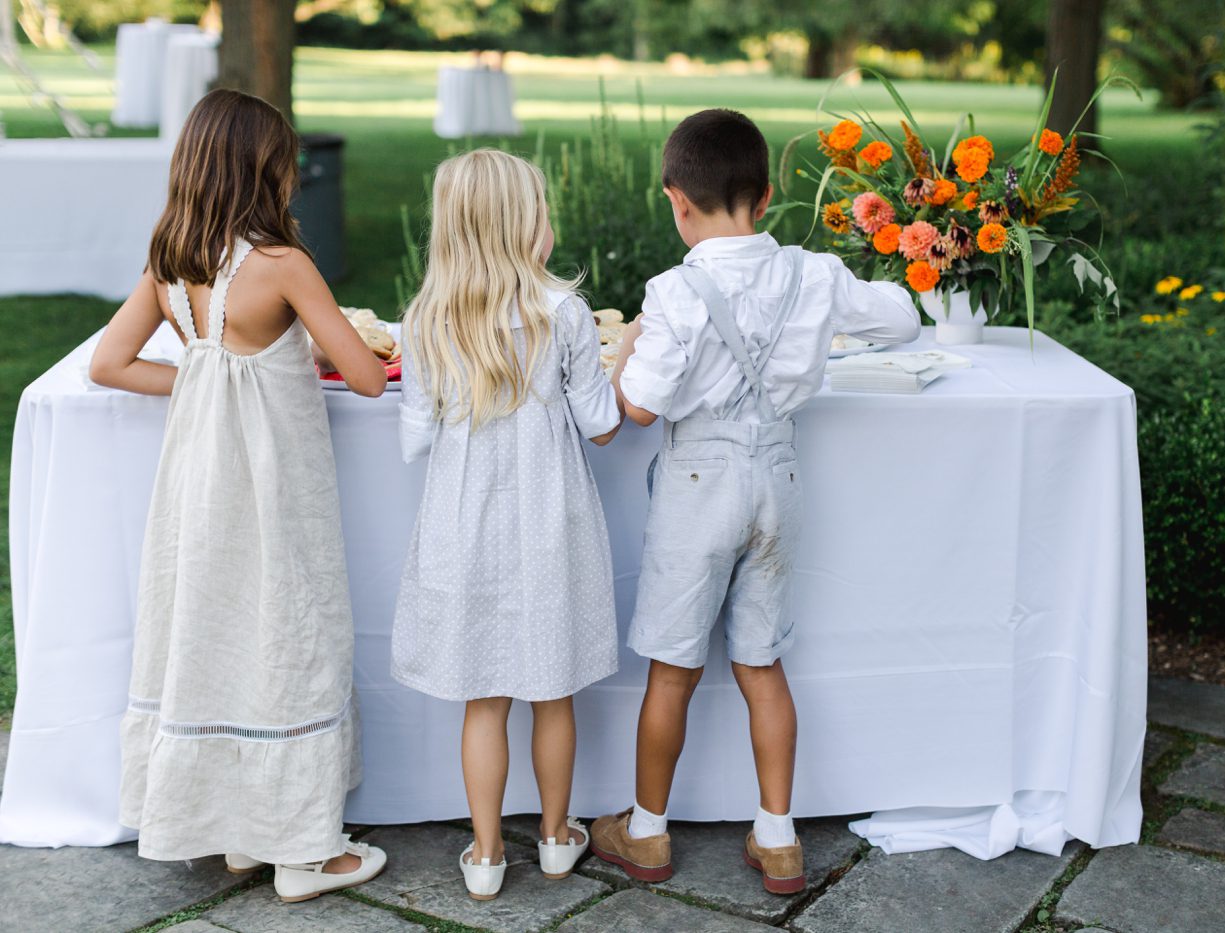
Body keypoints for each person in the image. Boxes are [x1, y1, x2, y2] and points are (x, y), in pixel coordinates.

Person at [594, 108, 920, 894]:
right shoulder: (815, 275)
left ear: (676, 200)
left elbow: (636, 408)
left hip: (699, 486)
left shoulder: (674, 292)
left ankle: (646, 831)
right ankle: (777, 838)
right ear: (766, 197)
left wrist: (633, 340)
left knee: (671, 671)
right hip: (776, 480)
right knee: (762, 662)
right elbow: (906, 318)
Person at [89, 89, 389, 902]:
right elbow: (364, 376)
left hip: (199, 487)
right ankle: (303, 848)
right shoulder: (285, 265)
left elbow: (108, 364)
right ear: (267, 170)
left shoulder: (169, 266)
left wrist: (198, 372)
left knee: (215, 634)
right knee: (292, 633)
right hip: (279, 488)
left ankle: (238, 830)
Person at [392, 149, 622, 901]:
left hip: (466, 523)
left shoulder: (426, 317)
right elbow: (601, 424)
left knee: (483, 697)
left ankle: (487, 853)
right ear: (526, 226)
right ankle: (556, 839)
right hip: (549, 521)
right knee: (552, 689)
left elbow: (415, 434)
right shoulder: (566, 313)